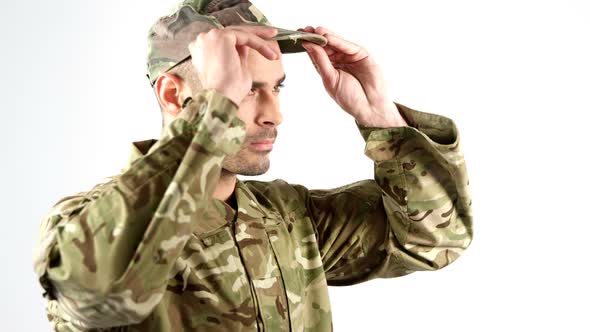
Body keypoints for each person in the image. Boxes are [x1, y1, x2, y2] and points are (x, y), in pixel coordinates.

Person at [32, 0, 474, 331]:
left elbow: (435, 239)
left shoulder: (288, 218)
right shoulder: (84, 224)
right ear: (172, 95)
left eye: (276, 88)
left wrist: (382, 120)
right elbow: (103, 293)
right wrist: (213, 114)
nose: (273, 114)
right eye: (245, 89)